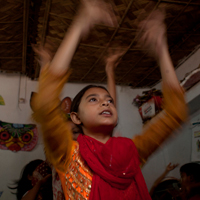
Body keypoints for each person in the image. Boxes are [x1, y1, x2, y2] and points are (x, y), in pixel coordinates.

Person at [32, 1, 188, 199]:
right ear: (76, 118)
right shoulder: (67, 153)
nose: (106, 102)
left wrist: (161, 47)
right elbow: (45, 105)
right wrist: (80, 25)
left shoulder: (132, 152)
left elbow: (176, 113)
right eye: (93, 99)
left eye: (109, 100)